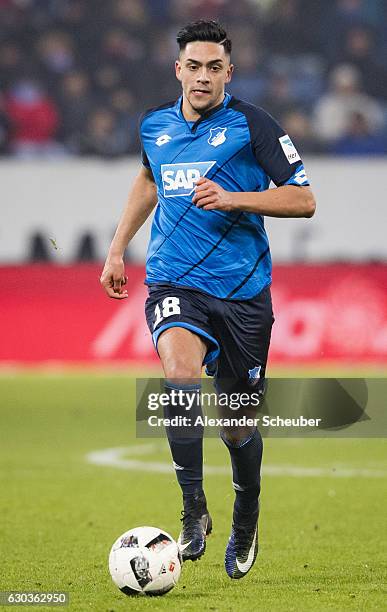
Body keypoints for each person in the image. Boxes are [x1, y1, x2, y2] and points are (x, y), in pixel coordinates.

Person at [100, 20, 315, 580]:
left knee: (237, 427)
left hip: (244, 295)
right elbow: (149, 180)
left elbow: (305, 199)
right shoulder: (154, 125)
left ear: (228, 72)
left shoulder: (252, 125)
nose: (202, 77)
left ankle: (246, 519)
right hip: (174, 282)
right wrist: (118, 248)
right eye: (193, 66)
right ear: (178, 70)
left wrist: (234, 198)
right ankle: (194, 508)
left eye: (213, 67)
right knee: (179, 375)